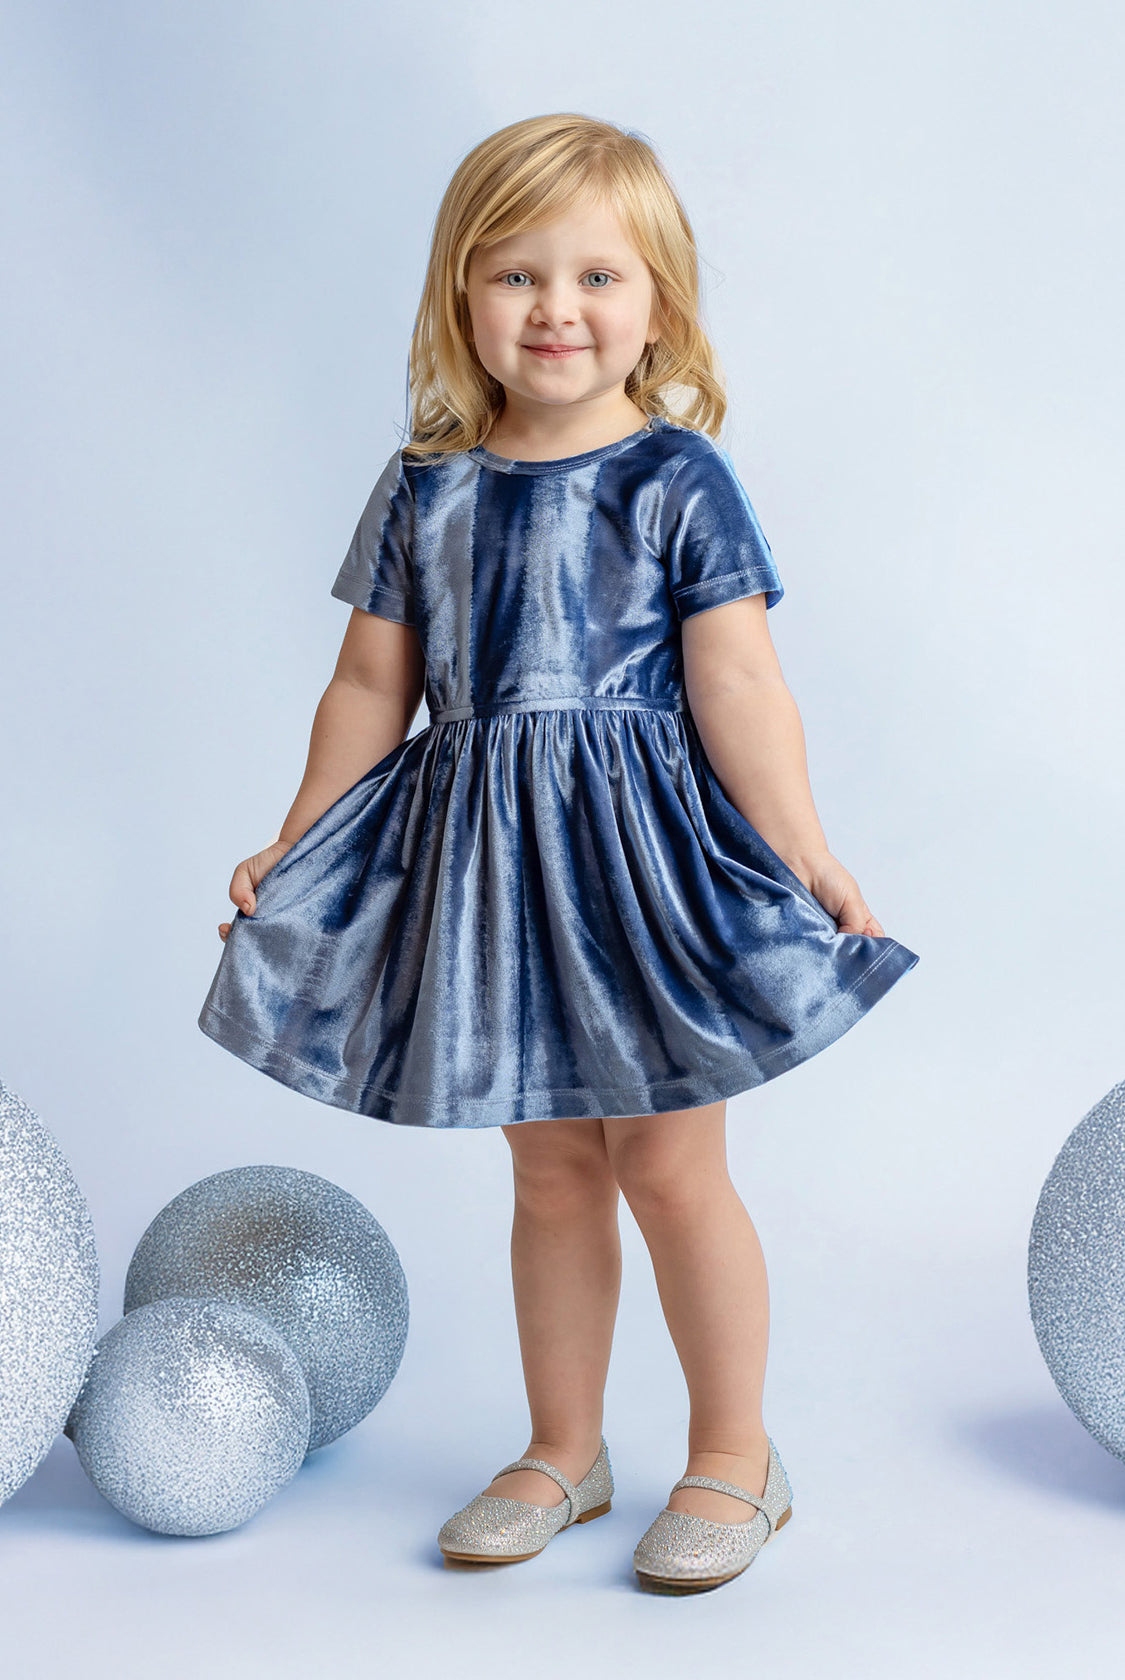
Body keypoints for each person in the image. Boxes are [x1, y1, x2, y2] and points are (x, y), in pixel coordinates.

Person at [198, 112, 919, 1594]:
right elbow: (366, 688)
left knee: (668, 1164)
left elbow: (737, 686)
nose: (556, 310)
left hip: (644, 868)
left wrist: (807, 851)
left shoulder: (677, 481)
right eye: (516, 275)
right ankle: (564, 1445)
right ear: (461, 296)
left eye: (596, 276)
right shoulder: (429, 487)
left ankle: (732, 1451)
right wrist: (299, 838)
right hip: (493, 877)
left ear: (658, 300)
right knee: (545, 1175)